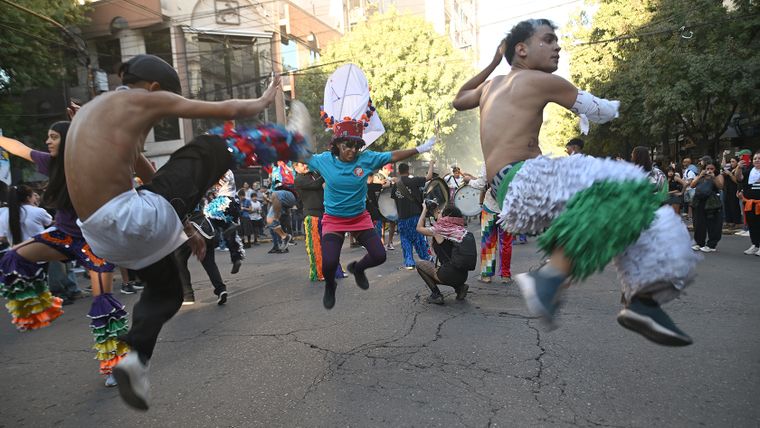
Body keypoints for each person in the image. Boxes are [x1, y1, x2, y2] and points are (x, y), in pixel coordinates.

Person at [64, 54, 309, 409]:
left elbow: (150, 175)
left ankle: (134, 361)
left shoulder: (92, 115)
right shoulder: (138, 98)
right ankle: (292, 139)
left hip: (103, 237)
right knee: (214, 143)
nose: (156, 120)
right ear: (153, 89)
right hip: (131, 219)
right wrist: (264, 100)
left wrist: (181, 223)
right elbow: (224, 109)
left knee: (167, 295)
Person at [453, 19, 698, 346]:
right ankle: (556, 278)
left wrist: (494, 61)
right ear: (521, 49)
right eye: (548, 40)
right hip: (526, 177)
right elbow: (601, 112)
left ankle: (639, 300)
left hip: (511, 193)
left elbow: (459, 98)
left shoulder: (490, 86)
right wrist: (617, 105)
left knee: (628, 215)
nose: (558, 46)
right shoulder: (541, 80)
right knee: (635, 189)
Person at [0, 122, 127, 387]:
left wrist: (87, 121)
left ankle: (116, 365)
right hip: (64, 236)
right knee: (13, 257)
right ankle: (40, 310)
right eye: (48, 137)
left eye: (54, 137)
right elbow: (19, 148)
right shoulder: (51, 163)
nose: (48, 141)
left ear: (69, 140)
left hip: (94, 242)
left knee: (103, 304)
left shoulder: (91, 164)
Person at [307, 120, 436, 309]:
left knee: (379, 255)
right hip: (334, 219)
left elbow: (392, 155)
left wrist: (420, 148)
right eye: (348, 145)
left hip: (359, 217)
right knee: (329, 262)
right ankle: (330, 286)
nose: (353, 150)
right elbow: (298, 155)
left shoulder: (366, 159)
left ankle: (358, 269)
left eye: (357, 146)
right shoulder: (324, 160)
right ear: (337, 145)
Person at [294, 161, 345, 281]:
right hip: (312, 216)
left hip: (325, 214)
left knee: (331, 244)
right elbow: (316, 184)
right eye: (302, 165)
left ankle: (336, 271)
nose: (305, 166)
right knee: (316, 246)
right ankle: (320, 272)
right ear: (296, 168)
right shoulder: (299, 180)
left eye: (306, 163)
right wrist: (326, 172)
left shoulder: (314, 174)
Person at [415, 204, 476, 304]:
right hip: (463, 276)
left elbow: (419, 228)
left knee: (419, 264)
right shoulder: (461, 230)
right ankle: (460, 287)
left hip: (448, 275)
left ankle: (436, 295)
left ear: (446, 217)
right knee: (448, 267)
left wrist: (424, 209)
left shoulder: (439, 230)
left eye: (440, 212)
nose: (438, 213)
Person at [392, 162, 434, 269]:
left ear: (399, 172)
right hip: (415, 216)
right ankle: (426, 258)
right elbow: (429, 177)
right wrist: (431, 164)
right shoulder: (414, 180)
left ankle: (409, 262)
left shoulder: (396, 185)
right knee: (418, 238)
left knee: (405, 239)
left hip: (402, 217)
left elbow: (394, 202)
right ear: (408, 170)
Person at [204, 170, 244, 273]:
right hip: (233, 203)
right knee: (231, 235)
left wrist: (208, 188)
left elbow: (217, 186)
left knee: (207, 214)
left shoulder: (224, 170)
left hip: (224, 201)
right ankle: (236, 259)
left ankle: (217, 235)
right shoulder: (227, 170)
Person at [689, 159, 724, 252]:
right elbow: (692, 185)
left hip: (712, 203)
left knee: (713, 224)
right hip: (699, 202)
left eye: (712, 169)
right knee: (698, 223)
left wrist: (713, 177)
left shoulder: (718, 176)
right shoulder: (701, 176)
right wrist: (700, 176)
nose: (709, 170)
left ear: (715, 169)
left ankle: (711, 245)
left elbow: (720, 186)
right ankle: (699, 243)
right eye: (707, 168)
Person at [735, 151, 760, 255]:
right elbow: (739, 178)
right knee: (752, 224)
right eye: (755, 158)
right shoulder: (748, 170)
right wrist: (739, 167)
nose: (757, 160)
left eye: (759, 158)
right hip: (749, 203)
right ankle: (755, 244)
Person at [722, 157, 743, 229]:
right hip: (727, 190)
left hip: (734, 190)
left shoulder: (738, 169)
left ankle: (737, 222)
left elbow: (737, 181)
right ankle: (729, 221)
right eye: (731, 161)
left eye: (733, 161)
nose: (731, 163)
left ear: (737, 162)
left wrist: (730, 174)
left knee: (734, 206)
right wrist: (724, 174)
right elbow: (723, 166)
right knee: (727, 206)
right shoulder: (729, 169)